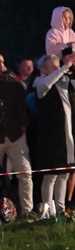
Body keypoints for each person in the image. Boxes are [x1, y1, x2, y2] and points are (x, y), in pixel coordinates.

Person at [33, 51, 75, 217]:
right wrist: (65, 67)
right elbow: (45, 86)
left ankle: (60, 207)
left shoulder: (65, 82)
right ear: (44, 69)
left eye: (59, 65)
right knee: (51, 175)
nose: (59, 68)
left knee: (64, 174)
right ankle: (46, 208)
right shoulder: (40, 82)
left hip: (69, 133)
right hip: (52, 137)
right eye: (55, 66)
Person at [0, 68, 35, 219]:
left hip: (15, 135)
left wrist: (23, 129)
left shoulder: (13, 86)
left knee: (25, 173)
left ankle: (27, 210)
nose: (2, 65)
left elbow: (22, 110)